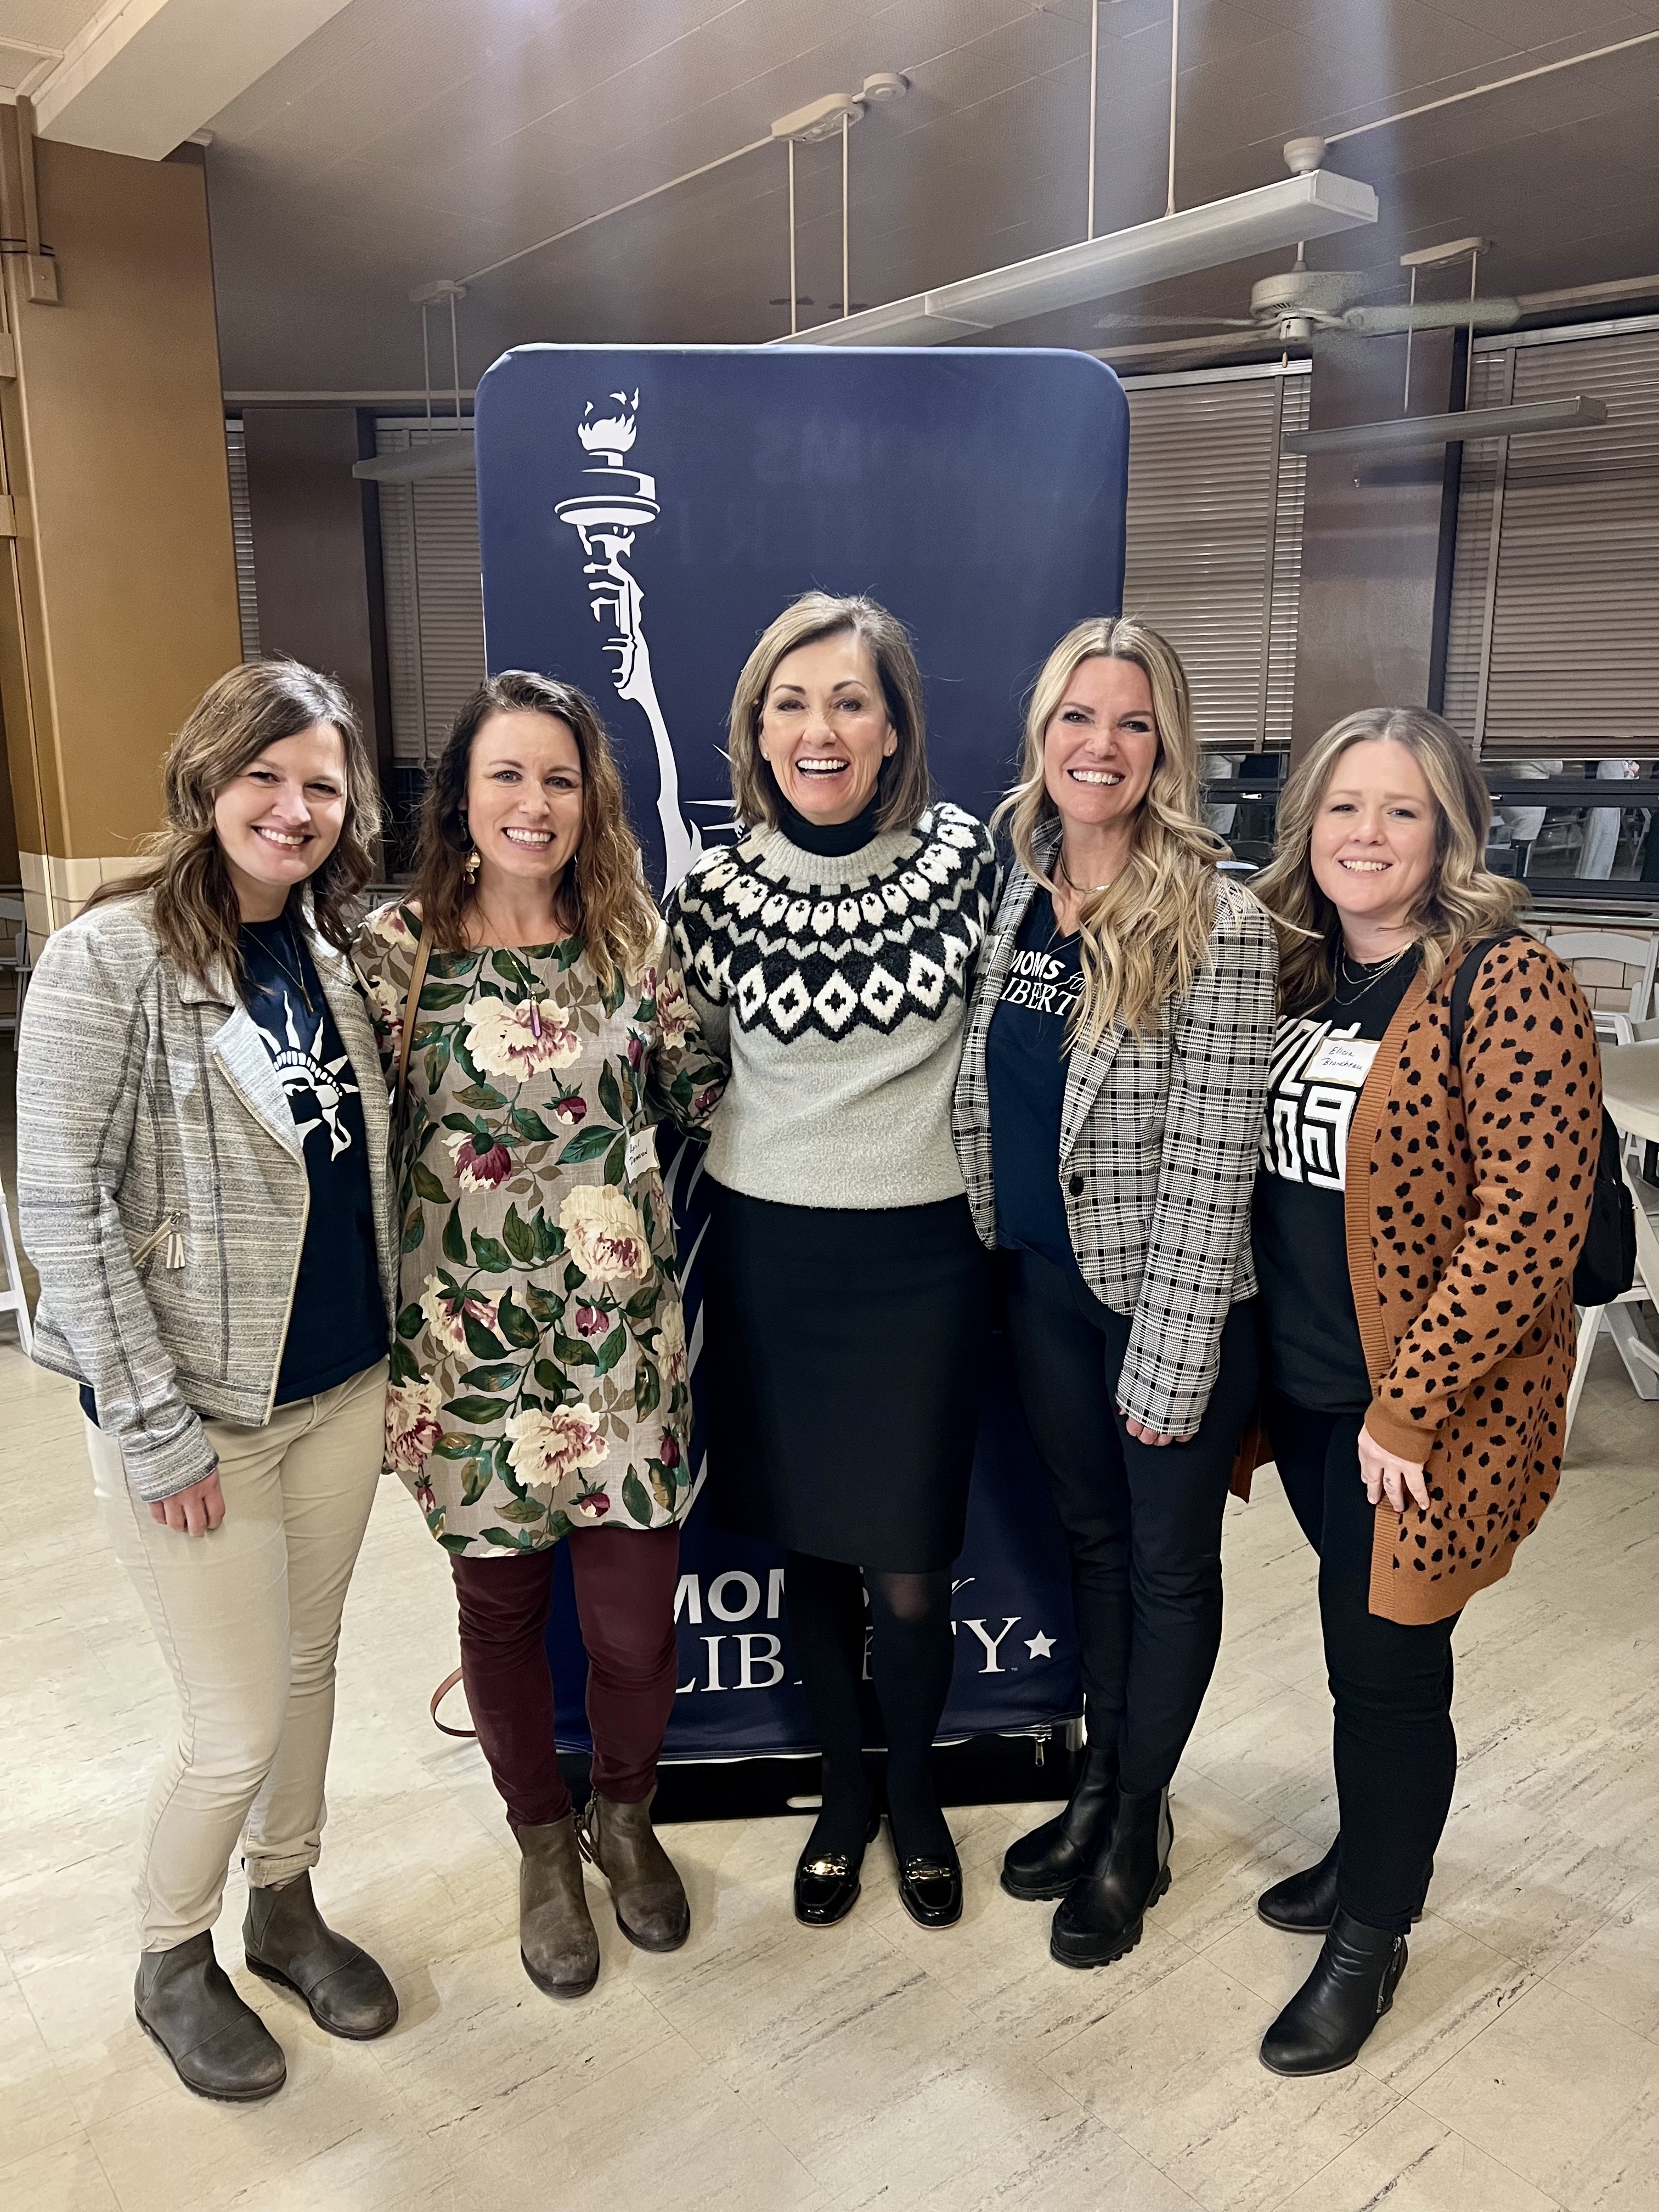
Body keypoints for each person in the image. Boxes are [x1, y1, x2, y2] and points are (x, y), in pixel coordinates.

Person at [16, 662, 400, 2103]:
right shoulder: (109, 958)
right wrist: (150, 1424)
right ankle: (170, 1953)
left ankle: (284, 1905)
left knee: (309, 1671)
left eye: (322, 786)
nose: (294, 809)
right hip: (199, 1414)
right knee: (233, 1725)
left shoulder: (332, 951)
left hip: (339, 1385)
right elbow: (62, 1207)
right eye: (266, 778)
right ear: (207, 779)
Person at [351, 671, 724, 2002]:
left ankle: (625, 1817)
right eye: (506, 775)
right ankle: (542, 1845)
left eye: (559, 779)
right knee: (499, 1618)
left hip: (620, 1356)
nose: (533, 802)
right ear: (459, 795)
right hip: (466, 1358)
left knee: (632, 1633)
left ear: (590, 800)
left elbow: (702, 1086)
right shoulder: (394, 954)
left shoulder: (630, 940)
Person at [1247, 707, 1601, 2074]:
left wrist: (1409, 1406)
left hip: (1422, 1417)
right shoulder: (1300, 967)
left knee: (1392, 1670)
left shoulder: (1506, 982)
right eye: (1345, 807)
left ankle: (1372, 1938)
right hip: (1311, 1392)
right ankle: (1367, 1854)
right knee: (1358, 1650)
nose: (1367, 835)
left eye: (1402, 810)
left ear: (1451, 830)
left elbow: (1529, 1224)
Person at [667, 592, 998, 1931]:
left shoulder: (970, 864)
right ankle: (845, 1799)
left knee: (908, 1571)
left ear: (895, 726)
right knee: (810, 1554)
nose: (822, 729)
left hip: (925, 1260)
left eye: (851, 702)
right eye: (791, 704)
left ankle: (914, 1794)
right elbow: (689, 1064)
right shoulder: (711, 893)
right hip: (773, 1258)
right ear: (757, 730)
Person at [952, 616, 1277, 1970]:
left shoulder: (1220, 922)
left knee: (1165, 1565)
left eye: (1133, 723)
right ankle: (1097, 1783)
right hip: (1040, 1284)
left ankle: (1141, 1823)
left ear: (1166, 748)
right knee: (1092, 1544)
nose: (1102, 745)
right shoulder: (1014, 891)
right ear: (1044, 733)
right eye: (1078, 718)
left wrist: (1173, 1358)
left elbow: (1214, 1165)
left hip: (1169, 1306)